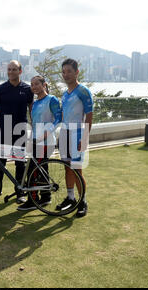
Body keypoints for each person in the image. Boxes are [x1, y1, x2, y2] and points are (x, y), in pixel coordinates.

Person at [0, 60, 34, 206]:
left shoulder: (27, 89)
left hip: (20, 132)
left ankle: (20, 193)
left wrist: (36, 127)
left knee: (20, 164)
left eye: (14, 69)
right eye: (9, 69)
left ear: (20, 71)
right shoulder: (0, 89)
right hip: (3, 130)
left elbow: (32, 110)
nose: (11, 72)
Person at [17, 75, 62, 211]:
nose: (34, 87)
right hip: (35, 141)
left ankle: (33, 200)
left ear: (44, 85)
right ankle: (46, 197)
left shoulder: (51, 99)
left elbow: (59, 117)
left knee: (33, 171)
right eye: (32, 84)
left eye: (37, 84)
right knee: (41, 170)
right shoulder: (35, 103)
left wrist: (47, 133)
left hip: (46, 142)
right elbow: (35, 123)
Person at [56, 58, 93, 218]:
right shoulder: (65, 94)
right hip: (64, 133)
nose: (66, 75)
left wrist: (84, 138)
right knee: (67, 167)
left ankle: (82, 201)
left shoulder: (83, 91)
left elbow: (89, 116)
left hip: (78, 133)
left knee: (77, 169)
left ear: (76, 72)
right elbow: (64, 116)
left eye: (69, 71)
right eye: (63, 72)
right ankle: (70, 198)